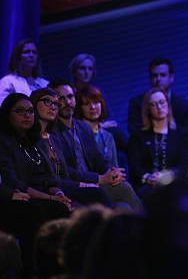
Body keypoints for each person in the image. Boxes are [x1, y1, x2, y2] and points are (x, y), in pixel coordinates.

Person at [49, 79, 143, 212]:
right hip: (75, 186)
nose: (67, 102)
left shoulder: (83, 127)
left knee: (124, 202)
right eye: (61, 98)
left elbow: (98, 160)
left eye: (70, 97)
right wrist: (99, 178)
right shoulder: (52, 132)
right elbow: (65, 170)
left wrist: (112, 172)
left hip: (94, 182)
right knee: (124, 189)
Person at [31, 88, 112, 208]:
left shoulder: (52, 137)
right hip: (48, 192)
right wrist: (84, 184)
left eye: (55, 103)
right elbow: (46, 179)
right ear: (34, 104)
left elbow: (64, 173)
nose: (53, 107)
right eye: (47, 102)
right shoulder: (32, 139)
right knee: (96, 196)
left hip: (63, 187)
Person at [128, 88, 188, 197]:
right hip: (147, 187)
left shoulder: (181, 135)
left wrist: (164, 177)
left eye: (162, 102)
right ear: (148, 109)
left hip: (173, 184)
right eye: (154, 104)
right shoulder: (138, 137)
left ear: (168, 104)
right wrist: (148, 178)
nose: (159, 107)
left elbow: (183, 167)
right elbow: (135, 166)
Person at [127, 57, 188, 137]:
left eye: (162, 75)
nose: (158, 79)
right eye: (154, 76)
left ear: (171, 78)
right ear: (149, 79)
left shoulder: (184, 107)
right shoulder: (137, 104)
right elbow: (134, 135)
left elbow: (187, 138)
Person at [75, 85, 118, 169]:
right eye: (87, 104)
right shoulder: (75, 136)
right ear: (80, 108)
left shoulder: (108, 136)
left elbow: (114, 167)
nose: (92, 107)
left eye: (95, 102)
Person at [0, 39, 49, 105]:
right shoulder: (7, 82)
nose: (31, 55)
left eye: (34, 52)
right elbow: (3, 107)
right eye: (26, 52)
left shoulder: (45, 84)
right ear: (17, 56)